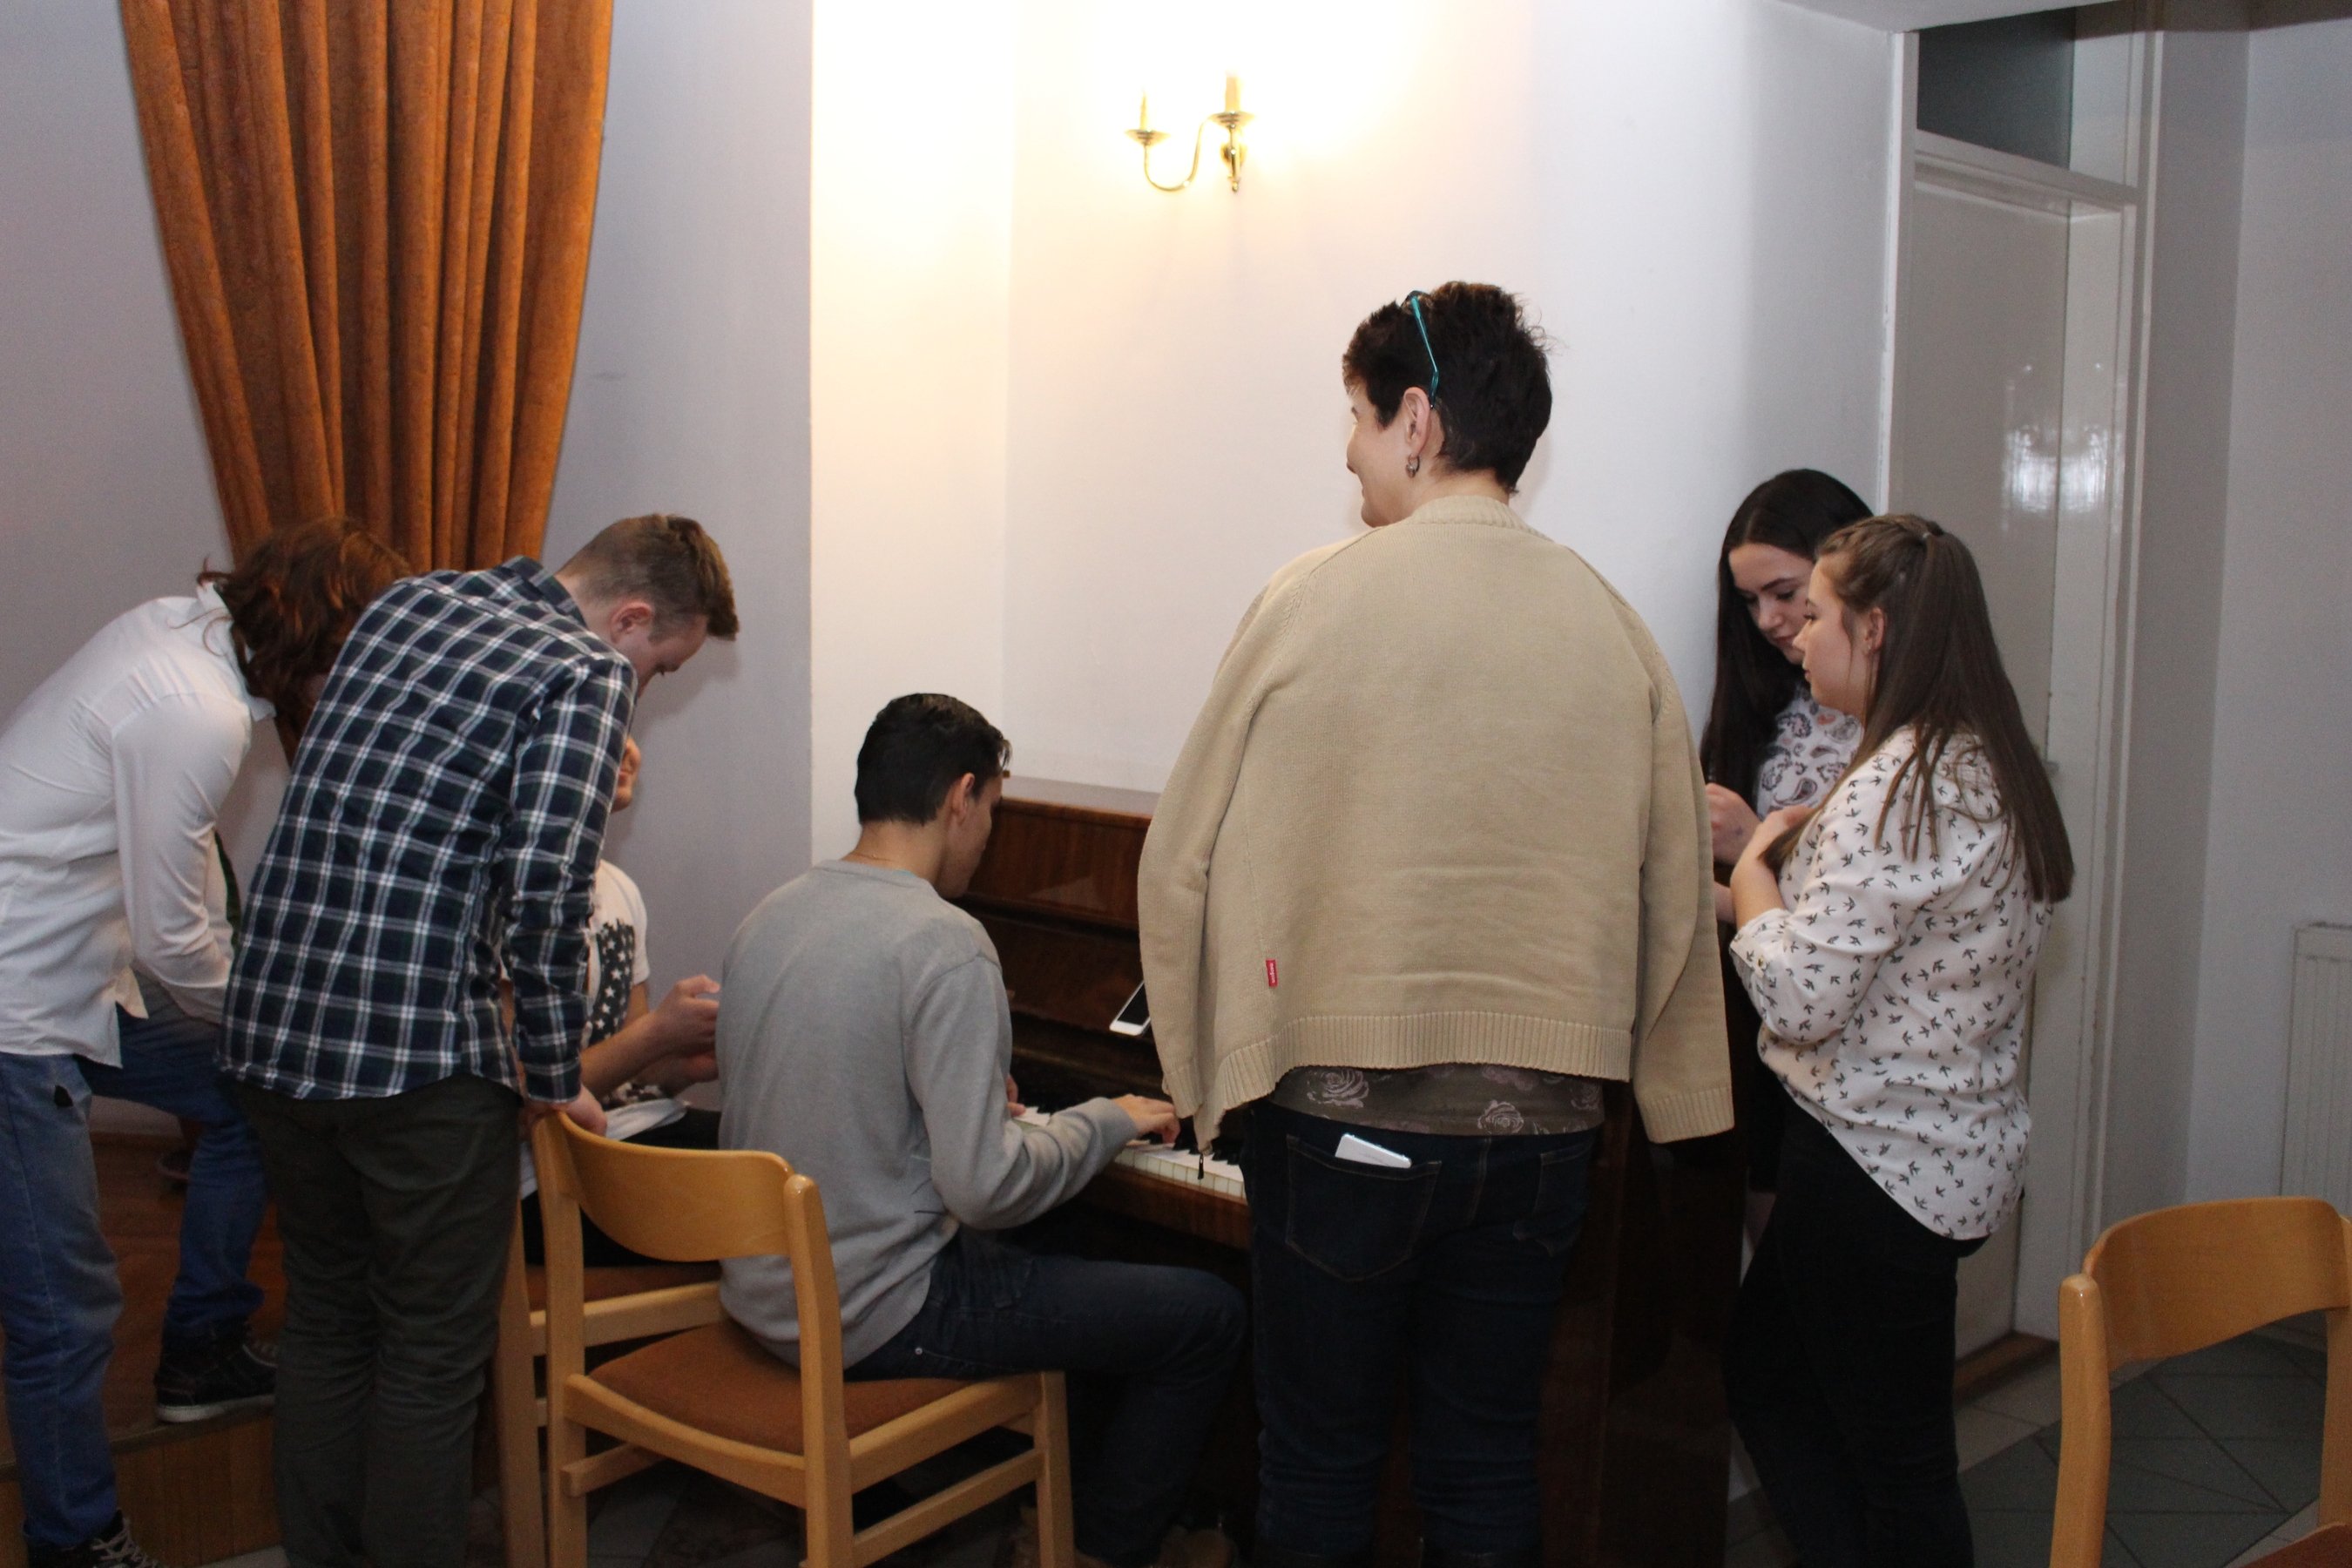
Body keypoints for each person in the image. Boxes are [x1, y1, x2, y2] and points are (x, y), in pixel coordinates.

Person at [1136, 283, 1732, 1568]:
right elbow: (1677, 892)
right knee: (1485, 1464)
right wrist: (1675, 1092)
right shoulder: (1613, 625)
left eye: (1357, 419)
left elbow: (1178, 857)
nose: (1347, 452)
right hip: (1545, 1138)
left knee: (1319, 1469)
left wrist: (1197, 1076)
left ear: (1416, 422)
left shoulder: (1311, 597)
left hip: (1339, 1123)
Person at [220, 514, 735, 1568]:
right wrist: (551, 1076)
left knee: (325, 1320)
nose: (644, 690)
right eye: (662, 667)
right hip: (414, 1059)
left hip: (272, 1029)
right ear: (631, 617)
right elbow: (546, 893)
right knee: (428, 1356)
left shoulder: (411, 603)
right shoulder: (583, 668)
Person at [720, 693, 1245, 1568]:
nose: (988, 834)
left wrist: (945, 1107)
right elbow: (987, 1189)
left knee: (1072, 1239)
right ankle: (1098, 1549)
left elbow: (826, 1096)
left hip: (769, 1290)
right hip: (880, 1311)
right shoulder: (945, 941)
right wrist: (1107, 1118)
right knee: (1209, 1316)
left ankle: (1051, 1504)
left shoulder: (772, 914)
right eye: (995, 809)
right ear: (962, 796)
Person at [0, 518, 407, 1568]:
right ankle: (74, 1539)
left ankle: (202, 1348)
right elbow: (177, 941)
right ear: (326, 633)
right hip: (13, 1007)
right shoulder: (197, 708)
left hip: (74, 971)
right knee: (66, 1307)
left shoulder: (181, 635)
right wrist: (288, 1017)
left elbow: (182, 906)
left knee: (245, 1098)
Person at [1722, 514, 2073, 1567]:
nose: (1798, 636)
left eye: (1817, 614)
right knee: (1775, 1380)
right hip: (1938, 1156)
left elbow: (1800, 997)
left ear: (1874, 629)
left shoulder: (1892, 786)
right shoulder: (1981, 760)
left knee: (1898, 1465)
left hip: (1871, 1164)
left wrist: (1755, 871)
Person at [1698, 470, 1873, 1241]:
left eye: (1787, 594)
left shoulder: (1895, 733)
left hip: (1860, 1044)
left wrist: (1752, 852)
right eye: (1749, 601)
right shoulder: (1766, 697)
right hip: (1768, 1011)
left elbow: (1857, 907)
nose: (1770, 621)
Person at [517, 733, 723, 1267]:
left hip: (633, 1132)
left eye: (627, 729)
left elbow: (629, 1077)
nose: (628, 750)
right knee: (778, 1197)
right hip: (543, 1176)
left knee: (796, 1154)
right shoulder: (513, 890)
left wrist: (683, 1064)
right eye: (605, 727)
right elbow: (519, 1100)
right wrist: (657, 1033)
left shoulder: (619, 888)